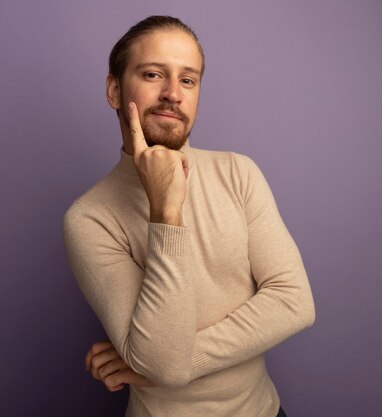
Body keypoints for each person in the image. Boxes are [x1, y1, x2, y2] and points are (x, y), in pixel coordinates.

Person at [63, 15, 315, 417]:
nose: (172, 95)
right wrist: (166, 210)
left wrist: (173, 364)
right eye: (152, 74)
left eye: (187, 80)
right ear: (114, 90)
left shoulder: (238, 173)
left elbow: (295, 302)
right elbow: (163, 362)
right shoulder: (90, 218)